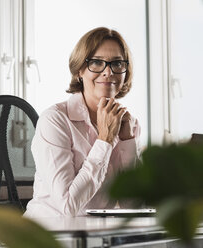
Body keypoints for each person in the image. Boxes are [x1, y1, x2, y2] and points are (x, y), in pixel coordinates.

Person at [24, 27, 140, 217]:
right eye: (96, 62)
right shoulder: (55, 120)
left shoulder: (129, 123)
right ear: (80, 70)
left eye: (117, 63)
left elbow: (134, 205)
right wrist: (105, 140)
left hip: (96, 234)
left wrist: (127, 141)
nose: (108, 72)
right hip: (47, 234)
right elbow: (68, 206)